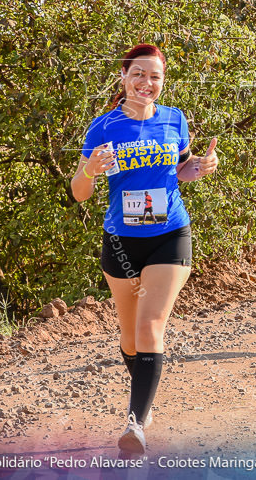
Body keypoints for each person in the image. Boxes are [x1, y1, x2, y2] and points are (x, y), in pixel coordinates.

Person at [71, 43, 219, 454]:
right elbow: (80, 193)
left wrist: (203, 168)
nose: (146, 83)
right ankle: (146, 397)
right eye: (139, 74)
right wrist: (89, 169)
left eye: (155, 76)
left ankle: (135, 424)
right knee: (130, 336)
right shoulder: (103, 127)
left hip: (171, 233)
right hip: (121, 241)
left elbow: (183, 171)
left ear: (162, 82)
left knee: (151, 325)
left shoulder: (175, 120)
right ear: (123, 76)